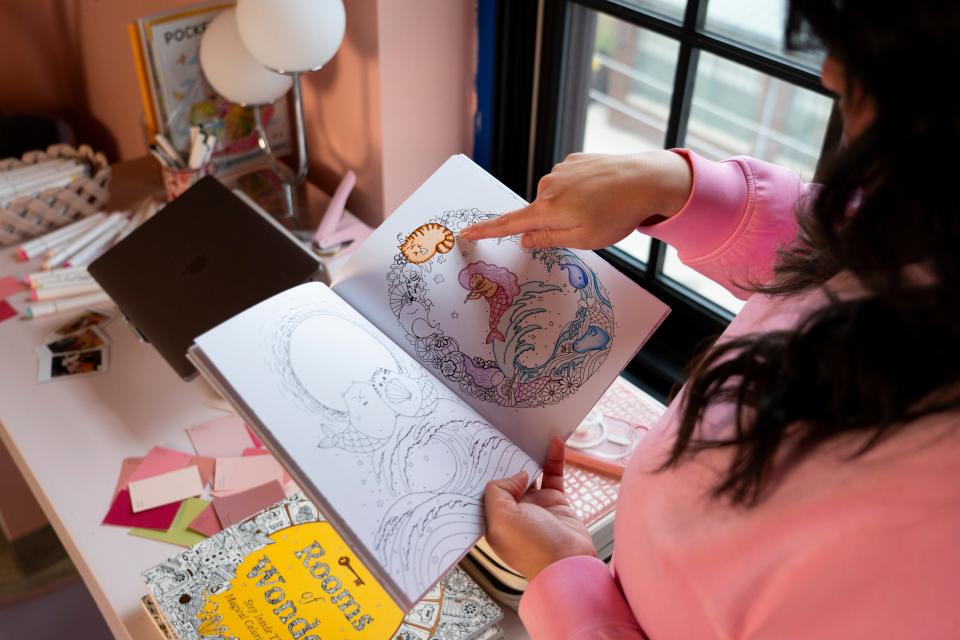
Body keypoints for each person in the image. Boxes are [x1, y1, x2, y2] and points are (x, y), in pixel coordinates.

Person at [460, 1, 960, 638]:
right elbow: (858, 235)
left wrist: (567, 582)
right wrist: (680, 188)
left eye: (883, 81)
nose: (831, 74)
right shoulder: (918, 229)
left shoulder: (930, 551)